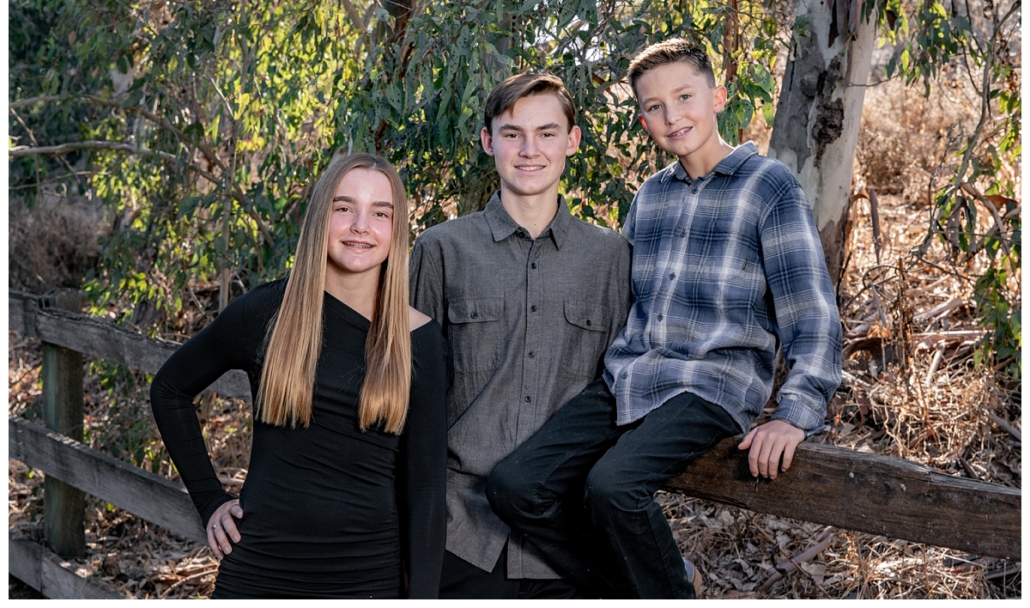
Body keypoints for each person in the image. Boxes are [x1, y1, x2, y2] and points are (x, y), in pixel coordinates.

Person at [487, 38, 843, 599]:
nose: (672, 115)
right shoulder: (651, 197)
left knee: (612, 487)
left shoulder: (767, 187)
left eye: (684, 96)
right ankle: (646, 583)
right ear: (643, 117)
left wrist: (795, 412)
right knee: (514, 486)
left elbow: (811, 311)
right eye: (654, 106)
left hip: (711, 384)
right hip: (632, 377)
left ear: (717, 96)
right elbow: (628, 304)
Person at [150, 153, 447, 598]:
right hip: (258, 571)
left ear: (397, 229)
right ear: (320, 216)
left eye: (380, 213)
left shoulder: (419, 339)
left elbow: (426, 492)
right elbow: (169, 389)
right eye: (344, 208)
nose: (361, 225)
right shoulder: (268, 313)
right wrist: (210, 500)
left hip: (365, 579)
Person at [409, 72, 632, 598]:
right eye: (512, 133)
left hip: (568, 542)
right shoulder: (441, 250)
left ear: (572, 142)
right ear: (489, 141)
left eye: (547, 132)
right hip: (459, 535)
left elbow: (625, 395)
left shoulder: (611, 259)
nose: (530, 150)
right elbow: (403, 395)